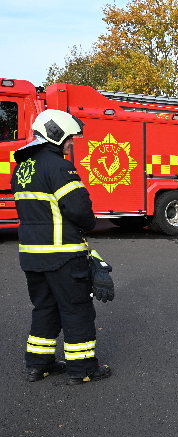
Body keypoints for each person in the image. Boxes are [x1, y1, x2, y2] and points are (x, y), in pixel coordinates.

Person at [11, 109, 113, 385]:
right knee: (76, 308)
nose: (72, 144)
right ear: (56, 135)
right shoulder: (59, 167)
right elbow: (78, 208)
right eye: (70, 138)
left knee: (45, 308)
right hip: (62, 255)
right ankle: (82, 370)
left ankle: (38, 365)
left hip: (32, 256)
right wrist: (91, 222)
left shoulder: (22, 167)